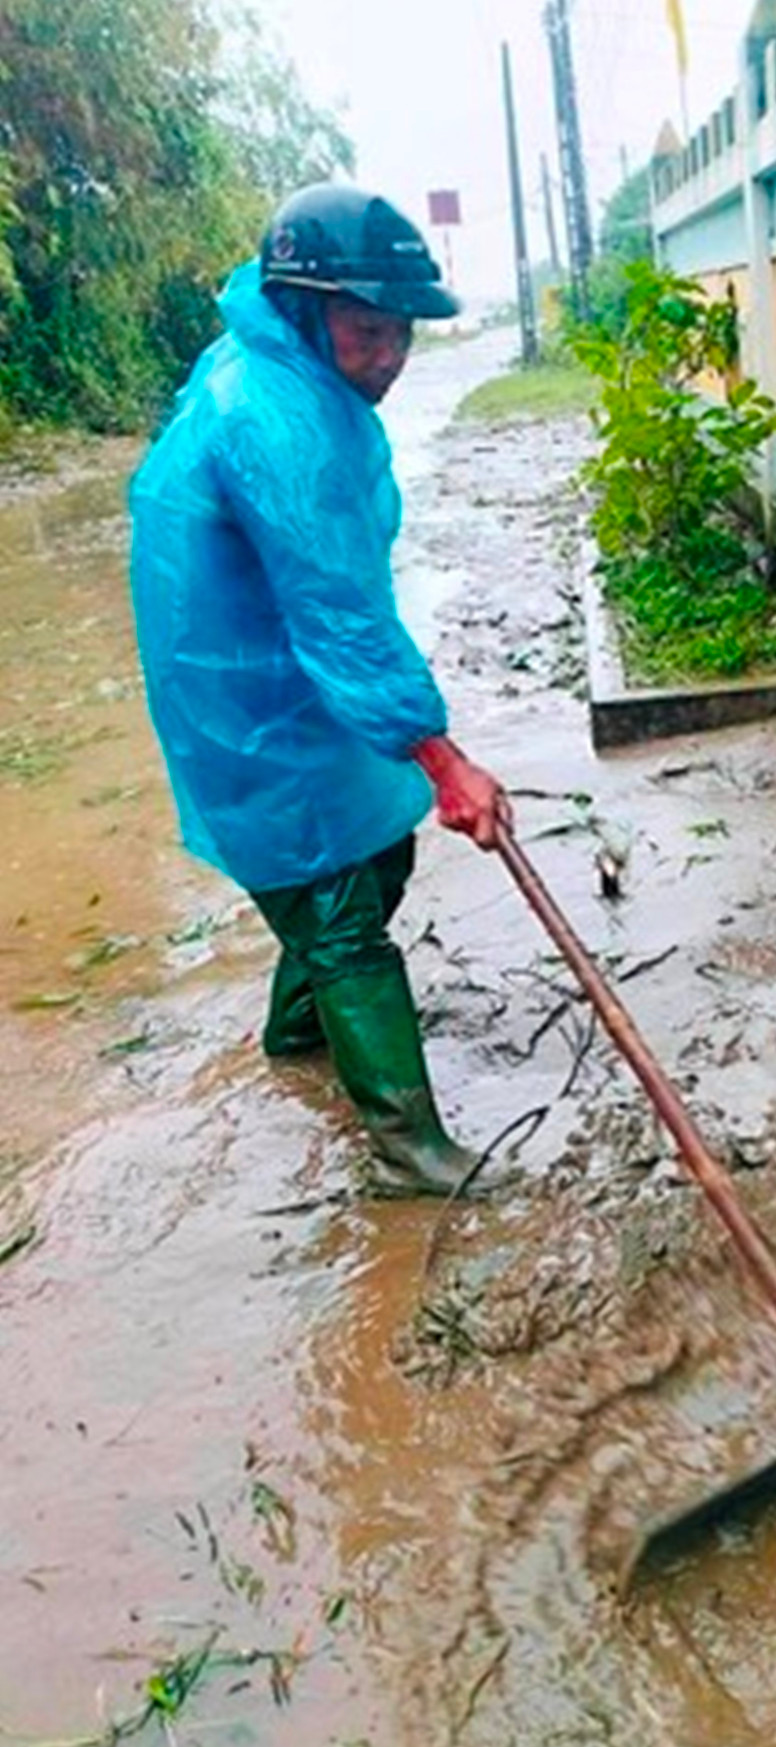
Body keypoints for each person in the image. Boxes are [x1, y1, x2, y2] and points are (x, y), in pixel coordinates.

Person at [129, 182, 510, 1195]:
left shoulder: (281, 373)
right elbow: (339, 609)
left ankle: (298, 1034)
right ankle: (410, 1152)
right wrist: (444, 758)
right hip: (248, 704)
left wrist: (417, 759)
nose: (386, 356)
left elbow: (336, 599)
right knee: (339, 911)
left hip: (286, 675)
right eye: (365, 331)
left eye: (399, 335)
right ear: (306, 311)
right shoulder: (273, 416)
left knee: (375, 852)